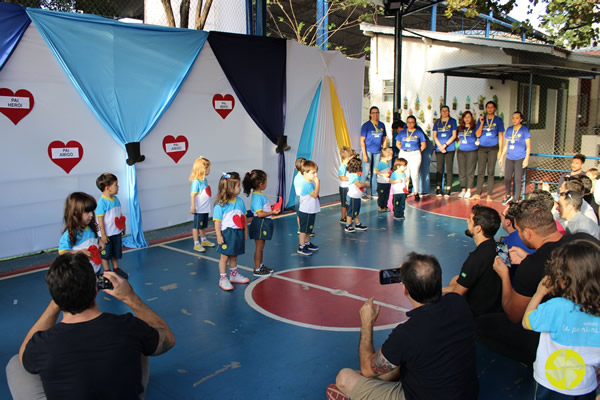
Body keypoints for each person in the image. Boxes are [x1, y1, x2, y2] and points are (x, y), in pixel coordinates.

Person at [6, 252, 175, 399]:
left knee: (16, 363)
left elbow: (24, 354)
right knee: (142, 342)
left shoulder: (44, 344)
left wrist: (57, 300)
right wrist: (130, 297)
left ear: (55, 295)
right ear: (95, 289)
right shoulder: (127, 327)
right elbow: (168, 339)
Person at [328, 253, 478, 400]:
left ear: (405, 289)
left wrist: (367, 324)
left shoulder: (407, 334)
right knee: (399, 362)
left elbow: (367, 369)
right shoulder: (458, 302)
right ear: (439, 281)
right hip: (467, 394)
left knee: (345, 378)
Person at [476, 199, 570, 366]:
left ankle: (531, 359)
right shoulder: (581, 242)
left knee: (481, 325)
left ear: (527, 232)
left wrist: (505, 275)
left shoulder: (532, 266)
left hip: (552, 335)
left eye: (518, 231)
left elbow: (513, 315)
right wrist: (527, 258)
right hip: (585, 323)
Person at [523, 239, 600, 399]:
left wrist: (539, 293)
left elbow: (527, 322)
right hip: (585, 385)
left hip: (549, 383)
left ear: (564, 279)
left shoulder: (556, 306)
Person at [443, 205, 503, 316]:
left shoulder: (475, 259)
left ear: (478, 228)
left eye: (470, 219)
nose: (467, 221)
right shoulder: (502, 249)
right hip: (497, 307)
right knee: (455, 279)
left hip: (478, 315)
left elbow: (457, 294)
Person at [213, 172, 250, 291]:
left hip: (238, 232)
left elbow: (243, 218)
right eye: (238, 185)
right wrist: (218, 235)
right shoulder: (221, 205)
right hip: (227, 233)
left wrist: (245, 231)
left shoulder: (240, 202)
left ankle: (234, 275)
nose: (240, 188)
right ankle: (223, 278)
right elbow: (217, 222)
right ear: (230, 188)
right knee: (224, 257)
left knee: (234, 255)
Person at [242, 169, 280, 277]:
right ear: (260, 183)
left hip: (263, 222)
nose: (267, 184)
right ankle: (257, 268)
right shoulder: (257, 197)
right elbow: (259, 214)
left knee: (261, 246)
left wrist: (271, 209)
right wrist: (272, 211)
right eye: (266, 181)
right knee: (259, 247)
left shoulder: (259, 195)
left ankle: (260, 265)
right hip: (260, 223)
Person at [58, 192, 104, 274]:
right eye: (87, 212)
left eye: (92, 211)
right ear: (75, 213)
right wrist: (79, 252)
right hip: (81, 273)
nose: (91, 215)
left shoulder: (91, 227)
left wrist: (99, 241)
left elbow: (94, 239)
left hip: (95, 268)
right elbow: (62, 253)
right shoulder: (70, 233)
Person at [95, 173, 128, 279]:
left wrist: (123, 226)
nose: (118, 187)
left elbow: (120, 214)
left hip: (116, 232)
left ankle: (116, 269)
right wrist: (103, 235)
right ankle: (107, 272)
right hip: (107, 235)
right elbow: (100, 220)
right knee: (106, 254)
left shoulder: (116, 199)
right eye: (116, 185)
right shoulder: (102, 203)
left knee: (115, 252)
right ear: (107, 188)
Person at [473, 101, 505, 200]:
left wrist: (500, 150)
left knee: (490, 171)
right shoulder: (481, 119)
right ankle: (478, 193)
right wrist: (482, 123)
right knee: (481, 171)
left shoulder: (498, 120)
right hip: (482, 148)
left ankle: (489, 195)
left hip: (493, 148)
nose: (490, 109)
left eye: (491, 107)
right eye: (488, 107)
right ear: (486, 109)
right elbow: (477, 134)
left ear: (495, 108)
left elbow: (500, 136)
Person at [498, 111, 531, 204]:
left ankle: (516, 198)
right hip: (510, 157)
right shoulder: (509, 129)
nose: (514, 120)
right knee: (507, 178)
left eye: (517, 118)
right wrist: (501, 157)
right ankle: (508, 195)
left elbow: (528, 145)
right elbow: (506, 144)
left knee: (517, 179)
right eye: (513, 118)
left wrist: (526, 159)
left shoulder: (524, 130)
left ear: (521, 119)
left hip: (520, 157)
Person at [500, 201, 535, 281]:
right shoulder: (534, 237)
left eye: (502, 214)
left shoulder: (503, 245)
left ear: (508, 222)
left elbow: (500, 272)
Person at [395, 115, 427, 201]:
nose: (410, 124)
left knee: (415, 174)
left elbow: (424, 145)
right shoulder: (402, 132)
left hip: (415, 153)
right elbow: (398, 143)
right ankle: (405, 191)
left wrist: (417, 152)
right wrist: (402, 150)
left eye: (412, 122)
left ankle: (416, 192)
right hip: (404, 153)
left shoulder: (419, 132)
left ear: (415, 123)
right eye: (408, 122)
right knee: (405, 173)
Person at [360, 106, 388, 198]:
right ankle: (363, 192)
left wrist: (384, 151)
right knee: (365, 171)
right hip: (368, 151)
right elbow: (362, 141)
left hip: (378, 151)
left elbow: (384, 138)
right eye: (373, 113)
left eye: (377, 112)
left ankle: (374, 192)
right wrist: (364, 154)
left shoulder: (382, 125)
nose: (375, 114)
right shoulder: (366, 125)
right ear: (370, 114)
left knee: (375, 171)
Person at [189, 157, 215, 253]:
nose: (209, 170)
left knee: (203, 226)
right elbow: (193, 195)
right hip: (199, 209)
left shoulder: (205, 180)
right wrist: (193, 208)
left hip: (205, 209)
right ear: (202, 169)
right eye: (208, 168)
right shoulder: (196, 182)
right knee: (196, 226)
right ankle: (196, 243)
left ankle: (203, 240)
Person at [296, 160, 321, 255]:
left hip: (310, 210)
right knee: (303, 230)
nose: (315, 175)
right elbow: (315, 195)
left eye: (316, 172)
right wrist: (318, 183)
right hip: (306, 211)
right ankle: (301, 246)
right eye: (313, 173)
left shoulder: (309, 183)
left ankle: (307, 243)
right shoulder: (306, 184)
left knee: (309, 229)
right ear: (305, 173)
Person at [433, 105, 458, 197]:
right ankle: (438, 188)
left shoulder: (453, 121)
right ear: (440, 112)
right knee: (439, 168)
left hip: (449, 148)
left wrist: (445, 145)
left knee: (449, 168)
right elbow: (435, 136)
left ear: (449, 112)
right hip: (439, 149)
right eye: (443, 111)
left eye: (446, 111)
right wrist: (440, 146)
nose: (445, 112)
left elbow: (454, 135)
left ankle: (448, 188)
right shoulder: (437, 122)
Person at [456, 111, 479, 199]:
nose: (467, 119)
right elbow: (455, 136)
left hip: (472, 151)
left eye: (469, 117)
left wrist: (478, 141)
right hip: (461, 151)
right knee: (462, 171)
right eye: (465, 117)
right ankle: (463, 190)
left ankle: (469, 190)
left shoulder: (475, 127)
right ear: (463, 119)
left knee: (470, 171)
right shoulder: (459, 128)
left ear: (471, 118)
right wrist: (457, 142)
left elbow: (479, 135)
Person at [344, 156, 369, 233]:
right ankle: (348, 225)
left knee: (355, 211)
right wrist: (366, 184)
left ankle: (357, 224)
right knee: (351, 212)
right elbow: (359, 185)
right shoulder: (354, 176)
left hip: (356, 196)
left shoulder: (354, 175)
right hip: (353, 197)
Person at [338, 146, 354, 223]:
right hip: (344, 187)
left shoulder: (347, 166)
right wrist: (351, 178)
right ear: (348, 158)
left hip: (348, 187)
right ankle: (343, 217)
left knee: (348, 202)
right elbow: (341, 177)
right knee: (344, 203)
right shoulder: (342, 167)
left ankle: (349, 215)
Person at [374, 148, 393, 212]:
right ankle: (381, 206)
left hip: (387, 182)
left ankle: (384, 206)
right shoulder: (381, 163)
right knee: (382, 195)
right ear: (387, 156)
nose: (392, 157)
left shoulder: (387, 163)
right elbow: (375, 171)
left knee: (386, 195)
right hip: (382, 183)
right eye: (391, 156)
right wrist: (383, 174)